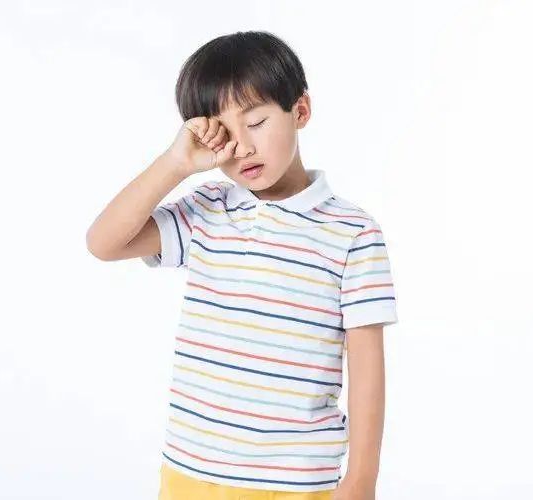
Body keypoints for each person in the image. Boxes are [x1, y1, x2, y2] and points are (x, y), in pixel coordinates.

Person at [87, 30, 398, 500]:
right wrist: (175, 163)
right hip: (190, 473)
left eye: (256, 122)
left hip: (295, 482)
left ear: (300, 111)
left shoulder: (353, 233)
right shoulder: (208, 209)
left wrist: (361, 479)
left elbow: (368, 366)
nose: (243, 147)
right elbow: (104, 242)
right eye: (224, 133)